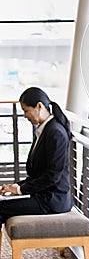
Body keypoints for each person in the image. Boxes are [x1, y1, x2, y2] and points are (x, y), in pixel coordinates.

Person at [0, 87, 73, 225]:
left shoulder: (55, 133)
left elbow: (52, 176)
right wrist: (15, 186)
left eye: (26, 110)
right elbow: (38, 174)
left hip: (52, 201)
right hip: (44, 196)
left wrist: (20, 189)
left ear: (39, 106)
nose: (24, 116)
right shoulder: (45, 130)